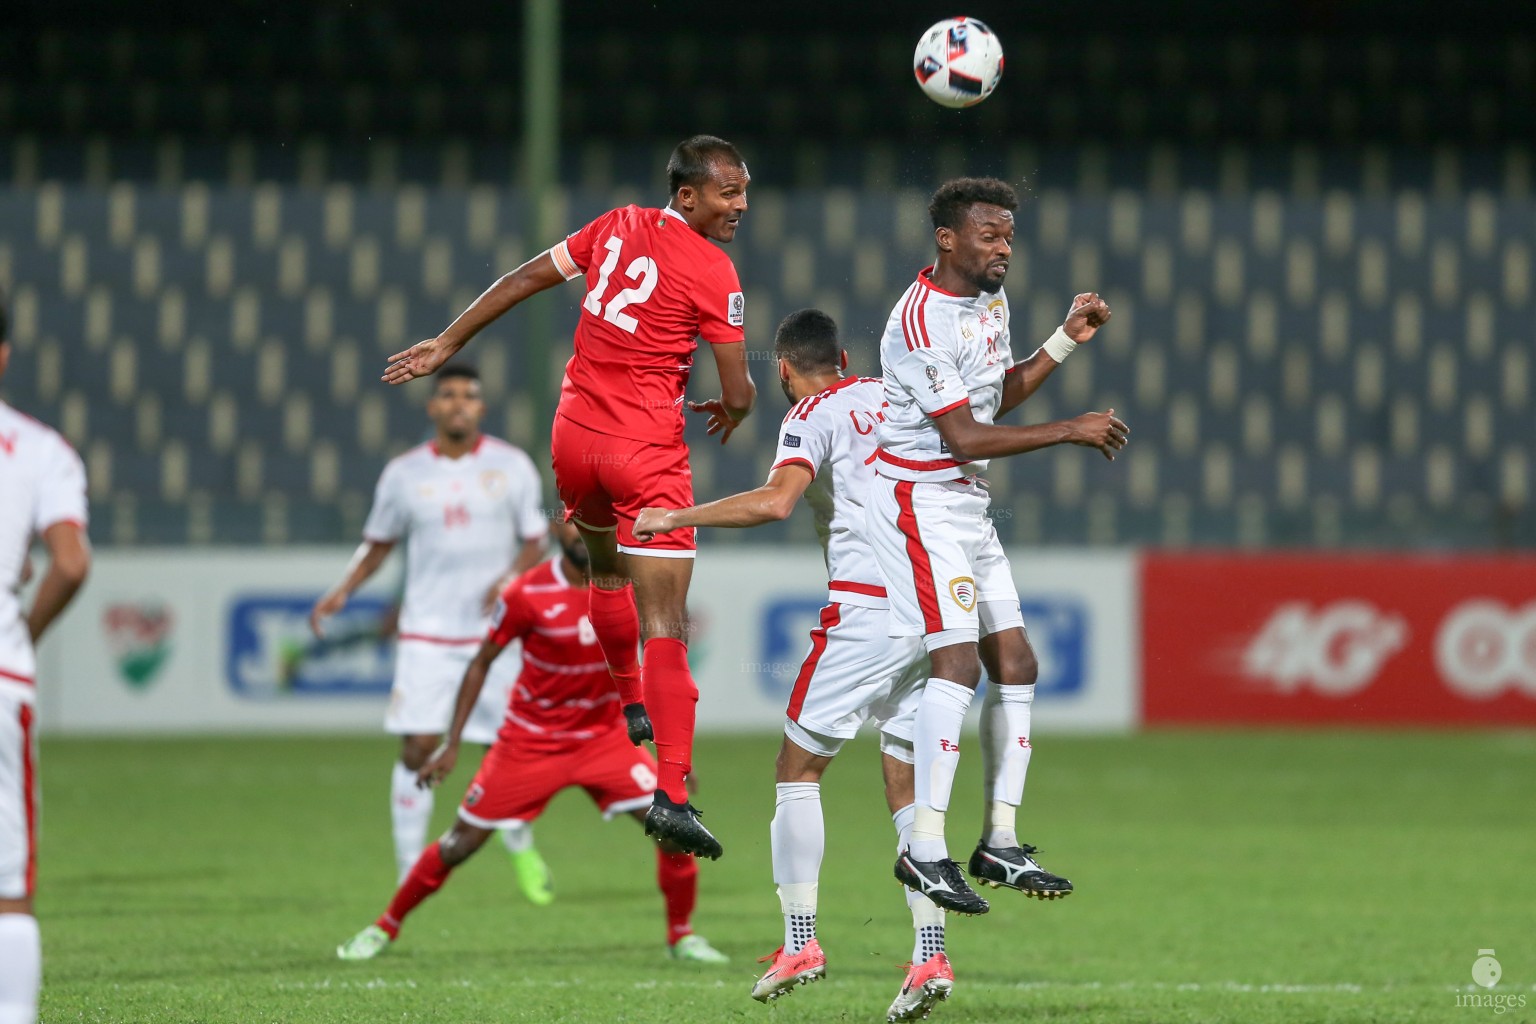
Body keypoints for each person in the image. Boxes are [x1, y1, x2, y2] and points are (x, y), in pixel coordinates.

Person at [635, 305, 1081, 1020]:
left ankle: (801, 941)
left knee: (797, 771)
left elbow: (777, 502)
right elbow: (982, 416)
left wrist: (674, 517)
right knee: (906, 787)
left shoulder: (812, 414)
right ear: (844, 356)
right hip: (933, 604)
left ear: (783, 369)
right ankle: (930, 954)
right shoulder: (898, 391)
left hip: (867, 613)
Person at [379, 135, 757, 859]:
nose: (741, 204)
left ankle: (629, 704)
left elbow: (525, 278)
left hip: (574, 438)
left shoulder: (613, 224)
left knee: (605, 571)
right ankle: (672, 795)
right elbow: (737, 388)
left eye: (742, 191)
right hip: (645, 451)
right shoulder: (715, 269)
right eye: (728, 192)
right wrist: (734, 411)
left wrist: (448, 340)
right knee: (667, 623)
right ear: (687, 195)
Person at [866, 178, 1125, 918]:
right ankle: (923, 849)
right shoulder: (918, 323)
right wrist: (1069, 430)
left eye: (1008, 235)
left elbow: (991, 400)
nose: (1003, 248)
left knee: (1016, 662)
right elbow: (965, 436)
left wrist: (1064, 341)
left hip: (967, 504)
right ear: (947, 238)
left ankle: (999, 841)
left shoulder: (989, 300)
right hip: (919, 503)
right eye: (988, 235)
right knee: (955, 663)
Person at [335, 520, 729, 965]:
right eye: (575, 525)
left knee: (672, 829)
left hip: (606, 739)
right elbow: (481, 662)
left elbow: (656, 669)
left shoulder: (636, 587)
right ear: (558, 530)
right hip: (531, 742)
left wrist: (673, 757)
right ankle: (384, 926)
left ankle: (682, 935)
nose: (583, 535)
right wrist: (452, 743)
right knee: (458, 845)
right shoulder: (526, 593)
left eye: (595, 525)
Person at [310, 365, 550, 893]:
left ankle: (519, 843)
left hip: (495, 635)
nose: (459, 403)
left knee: (507, 751)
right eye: (448, 395)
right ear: (433, 408)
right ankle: (406, 871)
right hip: (427, 633)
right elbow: (378, 542)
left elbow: (535, 539)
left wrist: (510, 578)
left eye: (469, 395)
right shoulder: (403, 474)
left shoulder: (512, 466)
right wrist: (342, 589)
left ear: (481, 409)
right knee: (419, 745)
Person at [0, 293, 92, 1024]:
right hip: (0, 676)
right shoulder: (38, 448)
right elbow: (69, 562)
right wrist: (22, 630)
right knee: (8, 888)